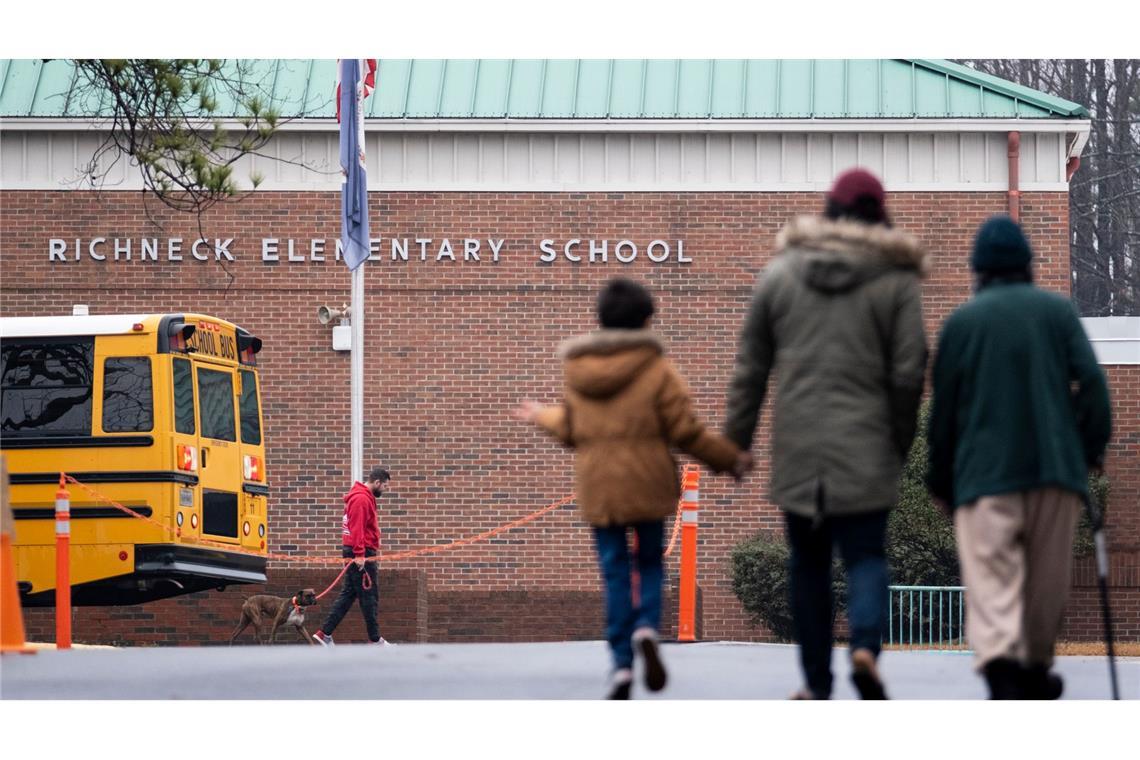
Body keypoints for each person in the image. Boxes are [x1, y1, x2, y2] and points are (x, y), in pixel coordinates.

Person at [724, 168, 928, 700]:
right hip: (868, 444)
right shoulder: (896, 280)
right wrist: (899, 440)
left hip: (800, 449)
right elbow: (909, 372)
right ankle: (864, 646)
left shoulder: (781, 274)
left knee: (807, 566)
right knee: (865, 554)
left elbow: (751, 365)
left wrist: (736, 440)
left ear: (827, 213)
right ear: (878, 218)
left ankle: (816, 683)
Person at [515, 277, 749, 699]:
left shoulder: (579, 369)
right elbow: (686, 431)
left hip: (600, 485)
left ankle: (621, 664)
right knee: (650, 564)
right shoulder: (658, 369)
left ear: (600, 319)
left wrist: (540, 416)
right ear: (646, 320)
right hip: (648, 481)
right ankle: (646, 627)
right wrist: (728, 459)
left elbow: (572, 429)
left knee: (614, 571)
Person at [927, 215, 1112, 699]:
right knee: (1044, 584)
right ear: (1028, 265)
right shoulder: (1058, 314)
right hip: (1055, 473)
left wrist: (941, 482)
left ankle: (1001, 668)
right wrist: (1088, 451)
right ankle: (1032, 666)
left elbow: (943, 414)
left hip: (985, 480)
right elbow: (1093, 385)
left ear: (978, 270)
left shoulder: (962, 324)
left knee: (991, 582)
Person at [312, 467, 392, 646]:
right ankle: (375, 640)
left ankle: (324, 633)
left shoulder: (362, 497)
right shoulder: (362, 499)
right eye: (385, 486)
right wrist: (360, 555)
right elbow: (357, 528)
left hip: (358, 552)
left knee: (349, 594)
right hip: (360, 553)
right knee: (369, 595)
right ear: (377, 482)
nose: (385, 490)